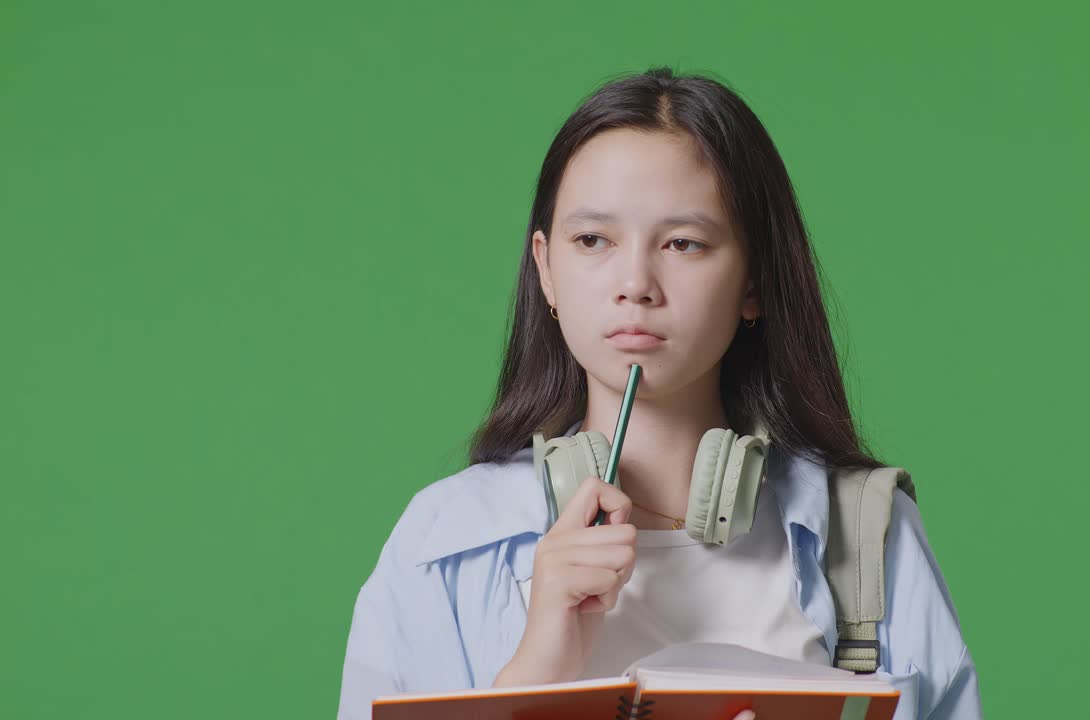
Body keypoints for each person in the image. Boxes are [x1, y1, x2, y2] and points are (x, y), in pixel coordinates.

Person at [337, 66, 982, 720]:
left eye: (683, 243)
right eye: (592, 240)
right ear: (547, 271)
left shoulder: (867, 534)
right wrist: (533, 669)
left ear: (754, 281)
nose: (635, 283)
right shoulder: (442, 540)